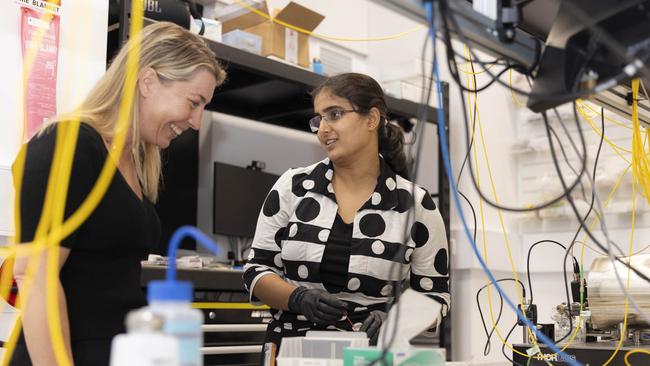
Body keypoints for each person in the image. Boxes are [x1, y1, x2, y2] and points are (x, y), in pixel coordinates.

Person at [10, 22, 226, 366]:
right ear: (148, 81)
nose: (197, 122)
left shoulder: (135, 163)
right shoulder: (71, 145)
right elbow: (35, 276)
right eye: (193, 102)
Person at [243, 73, 450, 362]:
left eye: (335, 114)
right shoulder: (293, 187)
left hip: (369, 354)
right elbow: (256, 271)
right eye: (318, 119)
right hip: (291, 352)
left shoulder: (416, 205)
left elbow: (436, 295)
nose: (323, 129)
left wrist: (395, 320)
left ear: (371, 119)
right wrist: (298, 298)